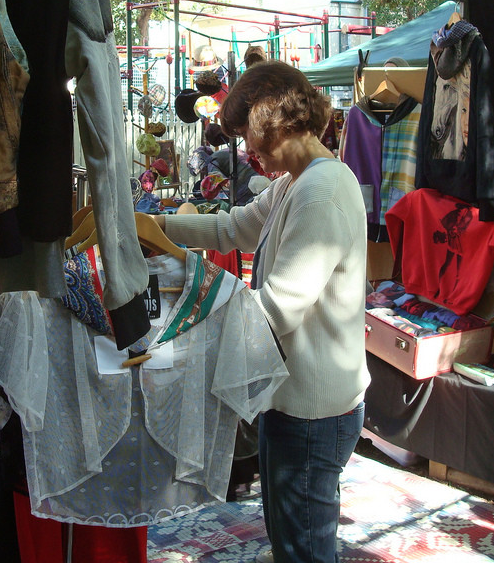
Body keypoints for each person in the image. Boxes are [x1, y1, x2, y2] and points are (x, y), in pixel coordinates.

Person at [156, 61, 370, 563]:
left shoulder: (322, 189)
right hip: (295, 399)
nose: (245, 151)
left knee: (305, 548)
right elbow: (233, 229)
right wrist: (156, 226)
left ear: (271, 117)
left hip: (313, 409)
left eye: (245, 134)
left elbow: (276, 310)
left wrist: (187, 314)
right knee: (291, 538)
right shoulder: (299, 181)